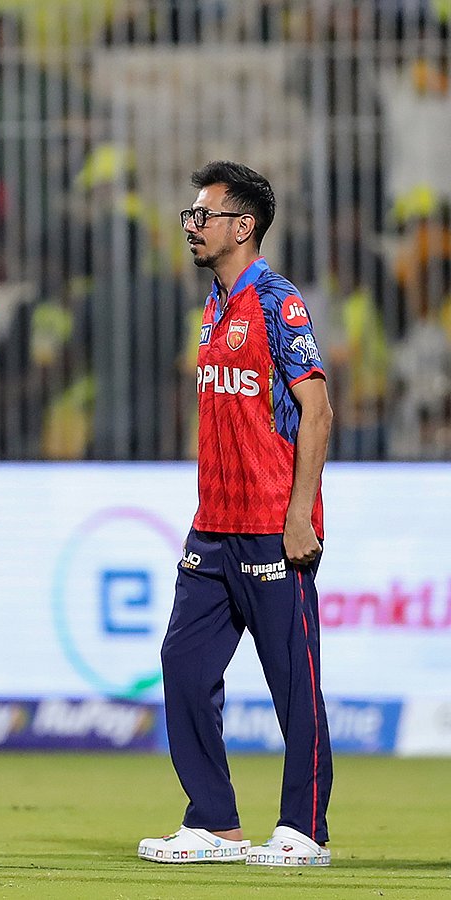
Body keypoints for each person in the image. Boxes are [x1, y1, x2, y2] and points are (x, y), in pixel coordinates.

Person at [138, 161, 333, 867]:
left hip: (271, 528)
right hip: (211, 528)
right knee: (182, 666)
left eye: (203, 215)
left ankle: (305, 829)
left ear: (243, 226)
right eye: (191, 215)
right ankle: (214, 822)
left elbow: (317, 410)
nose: (191, 226)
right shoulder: (214, 307)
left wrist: (300, 515)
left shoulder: (278, 302)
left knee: (292, 683)